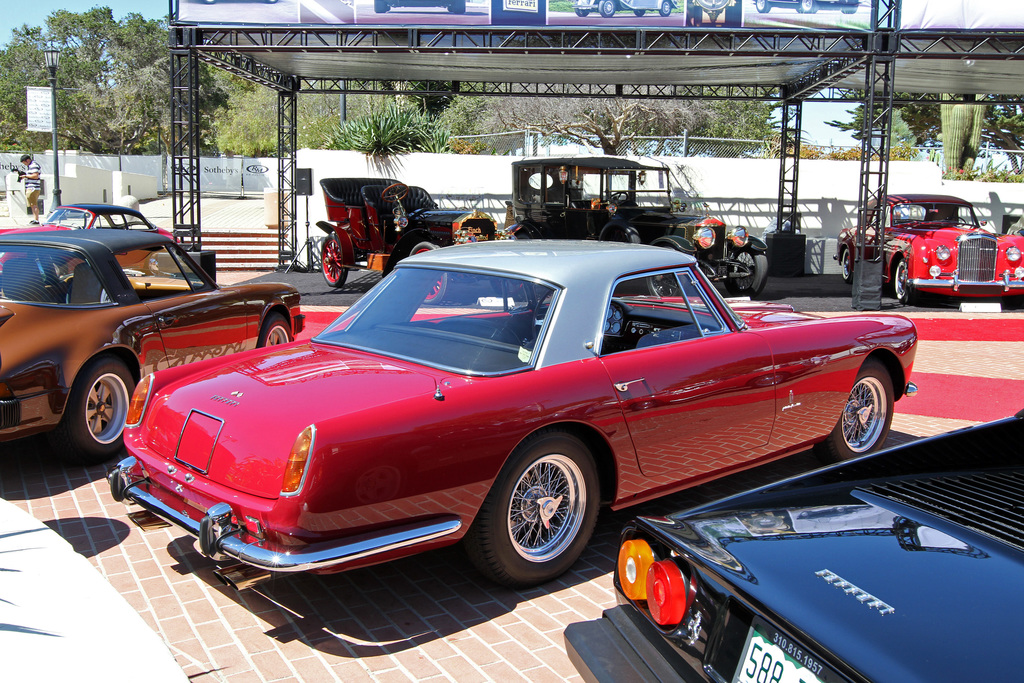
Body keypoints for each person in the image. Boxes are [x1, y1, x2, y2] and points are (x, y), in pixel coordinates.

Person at [20, 154, 41, 225]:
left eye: (24, 162)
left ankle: (36, 219)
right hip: (31, 187)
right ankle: (35, 219)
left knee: (34, 204)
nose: (25, 164)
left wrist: (25, 176)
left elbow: (35, 176)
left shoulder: (34, 165)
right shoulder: (30, 166)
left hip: (33, 187)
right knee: (32, 204)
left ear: (28, 160)